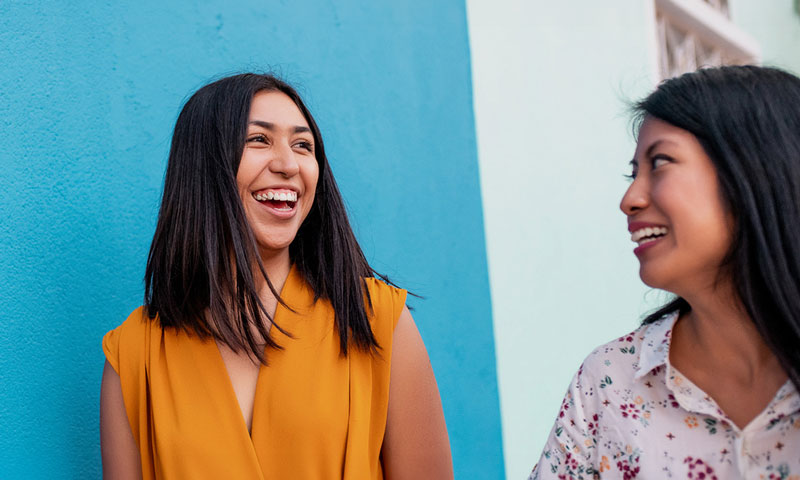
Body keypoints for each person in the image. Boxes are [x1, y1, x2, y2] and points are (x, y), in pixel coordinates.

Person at [100, 73, 453, 479]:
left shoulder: (377, 321)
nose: (288, 164)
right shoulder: (133, 355)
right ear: (204, 164)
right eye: (259, 140)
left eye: (303, 145)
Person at [530, 66, 800, 479]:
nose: (630, 199)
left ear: (753, 170)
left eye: (660, 162)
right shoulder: (608, 382)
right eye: (633, 172)